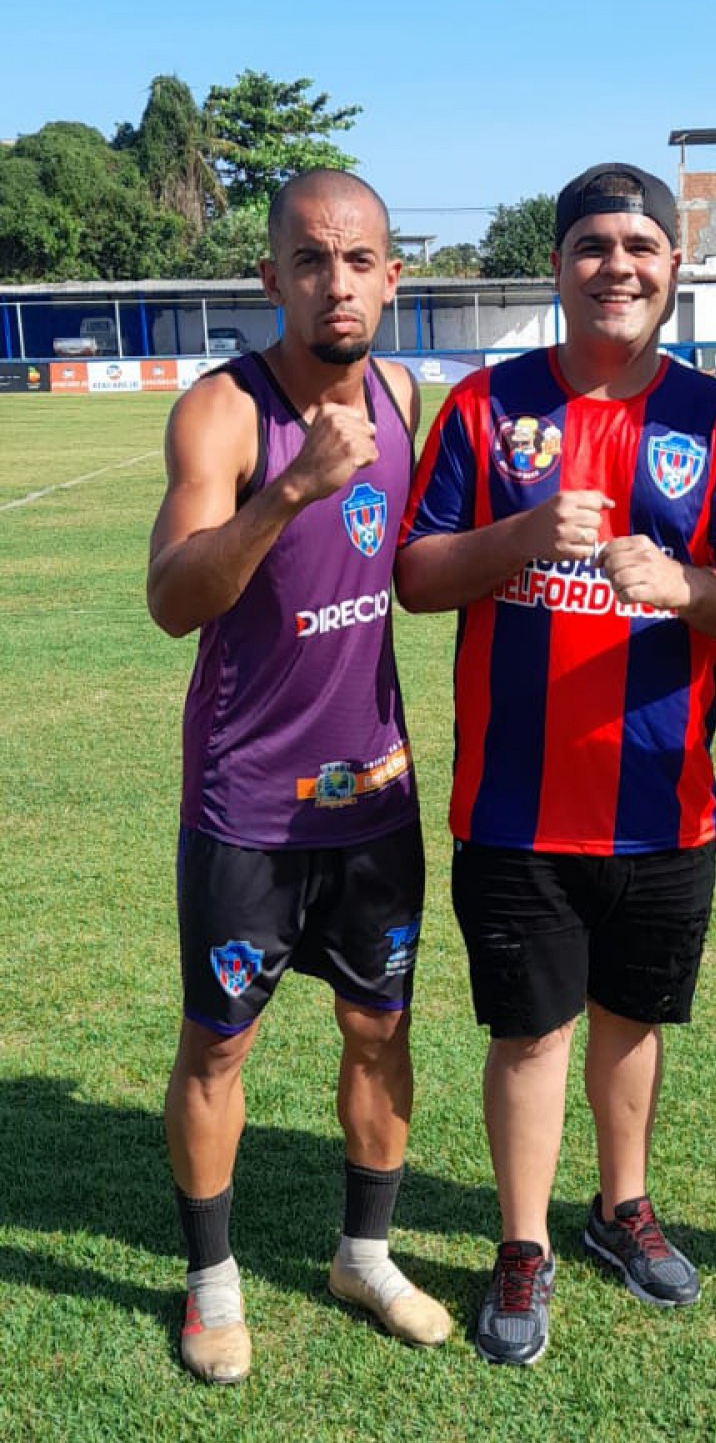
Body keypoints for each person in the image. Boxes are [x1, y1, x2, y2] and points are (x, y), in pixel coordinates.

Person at [394, 164, 716, 1366]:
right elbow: (416, 576)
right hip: (516, 807)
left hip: (665, 805)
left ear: (674, 267)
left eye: (640, 245)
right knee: (529, 1036)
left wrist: (687, 587)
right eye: (590, 246)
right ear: (558, 267)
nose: (616, 265)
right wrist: (521, 536)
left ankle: (621, 1209)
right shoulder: (483, 405)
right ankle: (524, 1246)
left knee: (633, 1021)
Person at [147, 169, 451, 1384]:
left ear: (393, 276)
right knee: (219, 1045)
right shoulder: (224, 414)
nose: (338, 281)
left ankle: (362, 1254)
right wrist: (289, 492)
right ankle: (212, 1284)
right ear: (270, 275)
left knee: (379, 1028)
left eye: (360, 258)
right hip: (249, 810)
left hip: (375, 798)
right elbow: (174, 601)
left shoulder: (403, 389)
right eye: (311, 260)